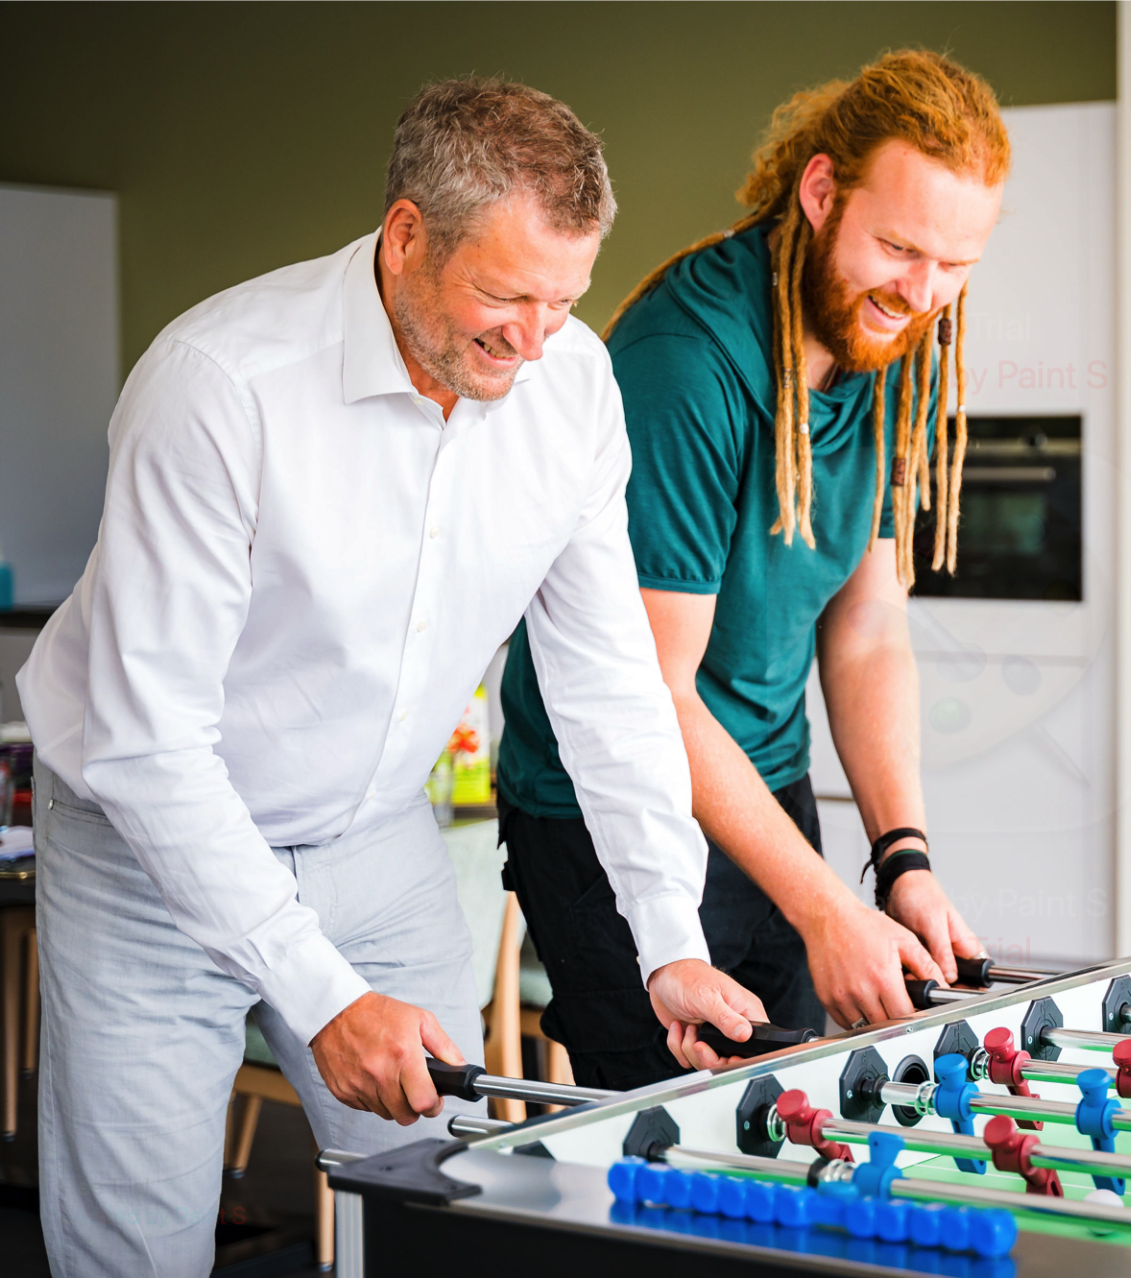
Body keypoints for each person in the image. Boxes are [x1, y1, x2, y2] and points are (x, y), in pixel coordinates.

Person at [17, 78, 761, 1277]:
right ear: (407, 234)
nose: (533, 342)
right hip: (143, 849)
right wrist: (319, 993)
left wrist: (665, 936)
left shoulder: (570, 386)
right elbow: (150, 747)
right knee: (134, 1248)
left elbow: (608, 687)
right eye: (505, 296)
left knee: (448, 1201)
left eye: (562, 302)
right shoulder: (217, 386)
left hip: (374, 837)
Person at [495, 49, 1006, 1088]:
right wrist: (824, 907)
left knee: (799, 1122)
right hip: (615, 814)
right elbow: (653, 694)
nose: (923, 293)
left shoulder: (891, 339)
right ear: (821, 192)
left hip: (762, 793)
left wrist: (898, 861)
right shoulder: (690, 362)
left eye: (956, 265)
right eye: (900, 247)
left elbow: (867, 623)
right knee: (669, 1159)